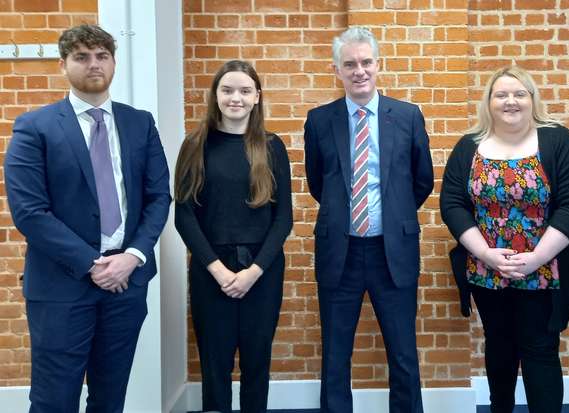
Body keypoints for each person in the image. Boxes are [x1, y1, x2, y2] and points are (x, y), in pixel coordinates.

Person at [3, 24, 171, 412]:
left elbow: (159, 197)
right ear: (63, 63)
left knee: (109, 398)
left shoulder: (139, 122)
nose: (94, 64)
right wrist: (91, 264)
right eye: (82, 56)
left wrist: (133, 256)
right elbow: (29, 212)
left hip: (126, 284)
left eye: (102, 56)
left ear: (113, 62)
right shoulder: (35, 127)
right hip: (62, 287)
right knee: (54, 400)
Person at [440, 66, 569, 413]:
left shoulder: (558, 140)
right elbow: (452, 203)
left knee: (540, 350)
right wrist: (486, 254)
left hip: (544, 270)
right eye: (502, 94)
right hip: (486, 270)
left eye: (519, 93)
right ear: (489, 102)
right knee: (498, 347)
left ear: (532, 99)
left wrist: (536, 258)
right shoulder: (469, 146)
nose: (511, 101)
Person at [303, 27, 433, 413]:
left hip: (391, 251)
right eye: (349, 64)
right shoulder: (319, 120)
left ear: (379, 65)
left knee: (404, 357)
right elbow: (317, 183)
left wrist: (393, 216)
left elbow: (421, 180)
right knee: (335, 358)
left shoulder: (407, 116)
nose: (359, 71)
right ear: (337, 70)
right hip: (339, 252)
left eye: (366, 62)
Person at [174, 60, 292, 413]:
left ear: (257, 97)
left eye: (244, 91)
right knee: (215, 367)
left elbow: (283, 218)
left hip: (262, 273)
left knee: (257, 365)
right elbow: (184, 216)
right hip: (212, 273)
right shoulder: (195, 144)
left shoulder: (272, 147)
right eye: (227, 90)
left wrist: (253, 271)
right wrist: (219, 271)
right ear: (216, 96)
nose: (235, 98)